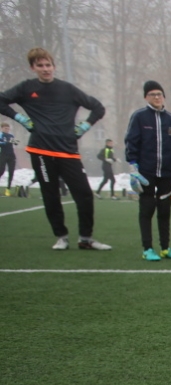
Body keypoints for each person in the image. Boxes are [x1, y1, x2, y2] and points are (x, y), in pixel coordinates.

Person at [0, 47, 111, 250]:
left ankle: (86, 239)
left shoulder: (68, 89)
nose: (45, 69)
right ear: (33, 68)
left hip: (68, 151)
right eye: (40, 65)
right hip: (41, 151)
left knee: (84, 194)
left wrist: (83, 127)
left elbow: (98, 107)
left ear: (54, 66)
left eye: (48, 65)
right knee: (50, 195)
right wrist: (20, 119)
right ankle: (61, 237)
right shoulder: (26, 88)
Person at [124, 80, 171, 261]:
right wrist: (133, 167)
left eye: (159, 94)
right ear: (146, 97)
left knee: (165, 210)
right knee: (147, 209)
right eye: (152, 94)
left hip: (166, 173)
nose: (157, 97)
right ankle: (147, 249)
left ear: (164, 96)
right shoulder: (139, 117)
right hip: (146, 173)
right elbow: (131, 142)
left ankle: (166, 248)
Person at [0, 121, 18, 194]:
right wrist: (7, 142)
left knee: (11, 172)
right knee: (1, 170)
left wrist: (15, 142)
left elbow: (14, 143)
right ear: (2, 128)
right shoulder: (1, 135)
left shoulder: (11, 135)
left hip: (11, 155)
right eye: (5, 128)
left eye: (8, 129)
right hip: (3, 155)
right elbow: (1, 143)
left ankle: (8, 189)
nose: (7, 130)